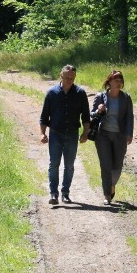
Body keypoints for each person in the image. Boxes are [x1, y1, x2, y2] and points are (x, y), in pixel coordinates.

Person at [39, 65, 91, 204]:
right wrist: (43, 133)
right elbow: (44, 116)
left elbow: (86, 116)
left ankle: (65, 193)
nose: (69, 80)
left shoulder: (80, 93)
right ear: (61, 75)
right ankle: (53, 194)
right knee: (54, 164)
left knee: (69, 165)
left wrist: (85, 133)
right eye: (67, 77)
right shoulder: (51, 93)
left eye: (72, 78)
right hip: (55, 133)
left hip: (72, 134)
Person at [91, 70, 134, 205]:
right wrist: (98, 110)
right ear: (109, 82)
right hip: (102, 134)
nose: (118, 82)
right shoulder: (100, 97)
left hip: (119, 135)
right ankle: (107, 195)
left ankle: (112, 184)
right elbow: (91, 114)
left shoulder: (126, 98)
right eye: (116, 80)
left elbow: (129, 117)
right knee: (106, 165)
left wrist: (129, 133)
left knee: (117, 164)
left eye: (120, 80)